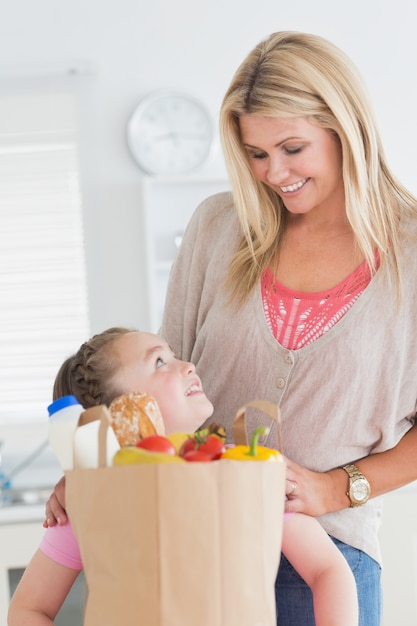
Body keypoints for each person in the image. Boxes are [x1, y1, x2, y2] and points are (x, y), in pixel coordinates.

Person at [158, 31, 417, 625]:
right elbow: (157, 388)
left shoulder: (411, 253)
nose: (274, 172)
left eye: (292, 147)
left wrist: (337, 487)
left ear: (344, 126)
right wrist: (96, 479)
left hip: (327, 561)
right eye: (255, 154)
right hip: (200, 544)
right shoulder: (217, 228)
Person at [8, 327, 359, 626]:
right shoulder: (95, 500)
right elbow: (28, 609)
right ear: (124, 411)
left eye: (173, 355)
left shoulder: (242, 472)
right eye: (159, 362)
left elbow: (328, 570)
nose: (187, 364)